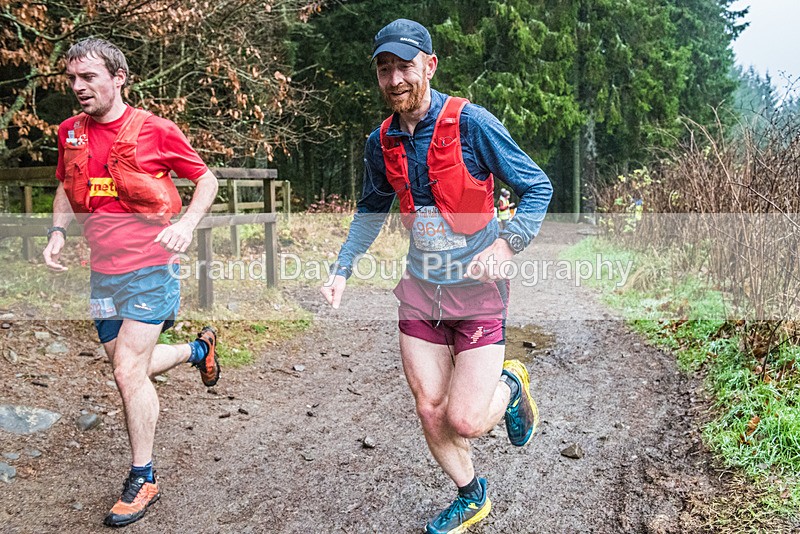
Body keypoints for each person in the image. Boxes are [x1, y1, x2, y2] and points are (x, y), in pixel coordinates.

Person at [320, 19, 552, 533]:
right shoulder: (380, 142)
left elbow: (538, 186)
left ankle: (511, 384)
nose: (394, 79)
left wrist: (506, 243)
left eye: (404, 66)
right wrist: (342, 268)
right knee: (429, 407)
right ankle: (472, 494)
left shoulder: (472, 124)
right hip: (422, 292)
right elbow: (371, 210)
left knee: (464, 419)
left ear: (430, 66)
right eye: (384, 69)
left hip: (477, 292)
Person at [42, 38, 221, 527]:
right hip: (104, 272)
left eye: (89, 77)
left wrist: (187, 224)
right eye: (72, 79)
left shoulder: (155, 130)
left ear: (118, 77)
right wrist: (57, 232)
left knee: (126, 372)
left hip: (151, 267)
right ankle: (198, 350)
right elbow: (65, 186)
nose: (78, 87)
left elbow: (206, 180)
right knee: (129, 365)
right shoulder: (69, 132)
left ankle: (143, 477)